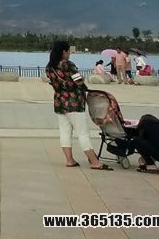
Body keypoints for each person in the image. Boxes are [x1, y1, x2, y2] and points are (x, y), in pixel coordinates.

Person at [45, 40, 111, 170]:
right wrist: (82, 80)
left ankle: (69, 160)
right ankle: (94, 162)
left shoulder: (49, 67)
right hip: (74, 102)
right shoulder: (68, 65)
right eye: (68, 51)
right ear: (64, 51)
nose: (69, 54)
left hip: (59, 102)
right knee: (83, 133)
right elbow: (78, 81)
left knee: (65, 132)